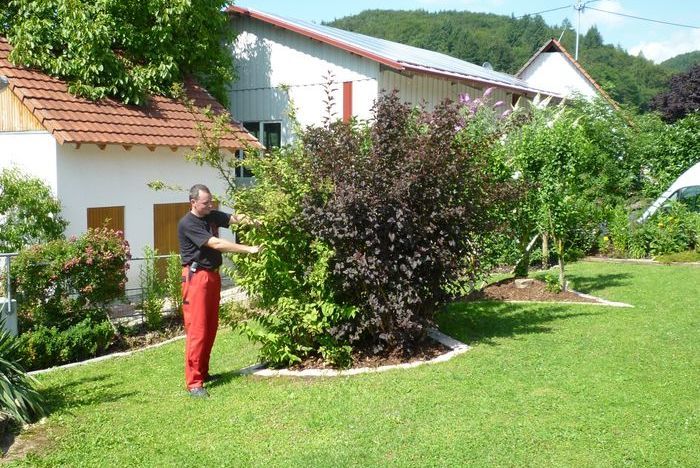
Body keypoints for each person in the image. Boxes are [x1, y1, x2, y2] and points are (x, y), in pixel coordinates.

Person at [178, 184, 261, 398]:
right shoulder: (188, 223)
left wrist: (259, 221)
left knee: (211, 326)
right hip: (196, 278)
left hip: (212, 276)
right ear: (193, 202)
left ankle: (203, 373)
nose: (210, 206)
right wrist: (248, 249)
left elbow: (235, 218)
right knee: (198, 329)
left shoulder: (211, 215)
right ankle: (194, 383)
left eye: (211, 202)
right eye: (206, 203)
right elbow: (216, 244)